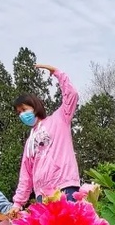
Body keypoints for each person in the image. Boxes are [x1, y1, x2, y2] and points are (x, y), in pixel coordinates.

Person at [10, 63, 80, 216]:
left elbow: (71, 95)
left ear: (35, 107)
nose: (22, 114)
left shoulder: (60, 118)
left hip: (64, 186)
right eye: (19, 112)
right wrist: (18, 202)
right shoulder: (29, 142)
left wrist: (57, 73)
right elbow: (26, 174)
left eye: (24, 110)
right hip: (42, 194)